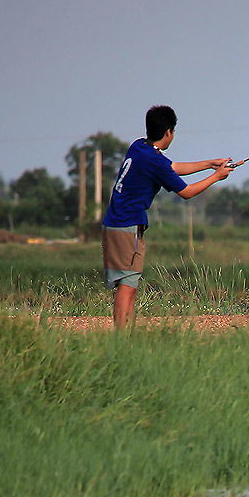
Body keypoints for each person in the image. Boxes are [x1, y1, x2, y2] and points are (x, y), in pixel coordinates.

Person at [101, 105, 238, 329]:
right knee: (127, 286)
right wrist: (216, 177)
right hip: (128, 226)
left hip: (113, 223)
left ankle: (127, 336)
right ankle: (121, 340)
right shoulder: (154, 161)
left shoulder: (139, 147)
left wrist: (209, 164)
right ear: (168, 133)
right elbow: (186, 192)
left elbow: (172, 167)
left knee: (129, 283)